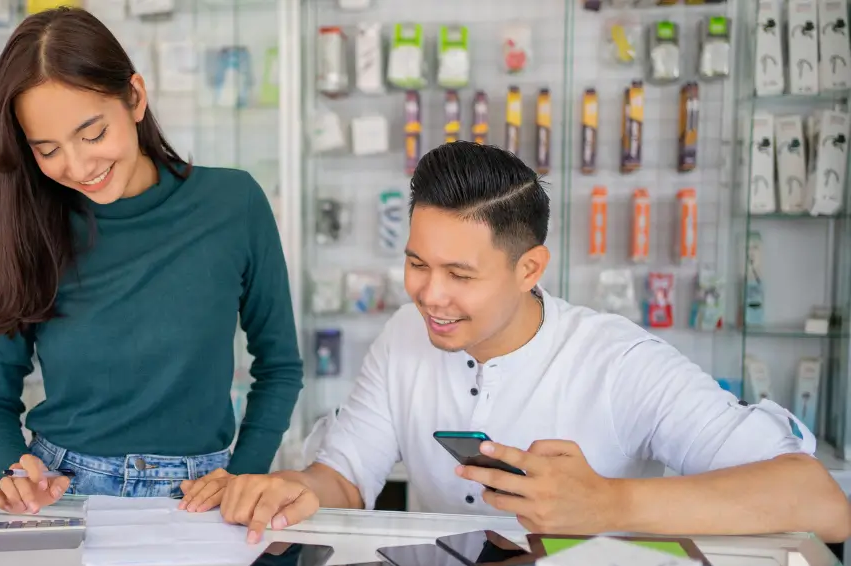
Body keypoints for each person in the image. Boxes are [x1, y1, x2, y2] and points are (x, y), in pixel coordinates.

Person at [184, 141, 851, 544]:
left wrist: (611, 503)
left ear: (529, 268)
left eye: (460, 275)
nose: (429, 294)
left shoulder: (618, 362)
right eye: (418, 263)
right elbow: (346, 475)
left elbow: (819, 502)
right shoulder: (404, 338)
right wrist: (292, 488)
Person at [0, 7, 302, 515]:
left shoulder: (234, 203)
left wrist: (242, 473)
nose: (78, 167)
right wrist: (15, 470)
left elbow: (279, 367)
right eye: (48, 149)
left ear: (135, 98)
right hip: (61, 490)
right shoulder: (28, 228)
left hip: (201, 494)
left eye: (92, 134)